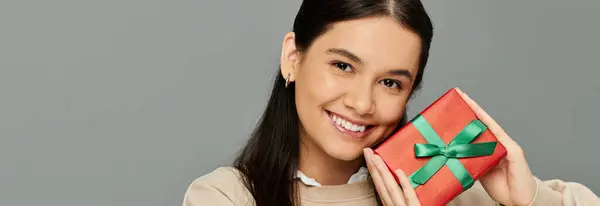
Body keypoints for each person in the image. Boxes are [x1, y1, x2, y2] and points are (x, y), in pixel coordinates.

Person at [182, 0, 600, 205]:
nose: (362, 103)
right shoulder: (226, 197)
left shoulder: (448, 189)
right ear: (293, 57)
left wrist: (530, 200)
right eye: (343, 66)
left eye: (390, 83)